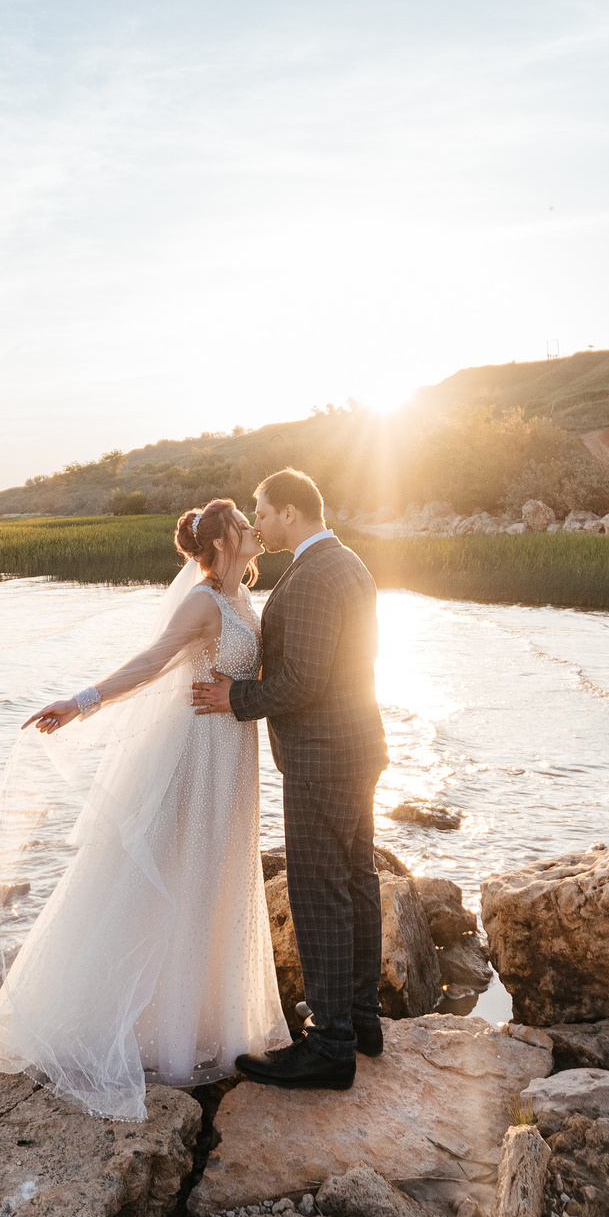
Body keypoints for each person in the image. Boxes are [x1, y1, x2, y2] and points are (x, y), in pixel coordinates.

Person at [0, 498, 289, 1119]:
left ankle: (203, 1023)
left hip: (231, 759)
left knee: (215, 878)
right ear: (222, 543)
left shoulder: (244, 596)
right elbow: (150, 662)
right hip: (197, 756)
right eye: (244, 525)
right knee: (170, 878)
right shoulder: (203, 602)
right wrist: (81, 701)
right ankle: (127, 1028)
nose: (254, 530)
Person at [191, 467, 385, 1091]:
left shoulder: (311, 576)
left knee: (319, 893)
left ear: (290, 513)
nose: (259, 523)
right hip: (355, 748)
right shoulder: (346, 562)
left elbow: (303, 681)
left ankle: (330, 1045)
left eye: (262, 511)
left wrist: (235, 697)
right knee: (356, 882)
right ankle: (360, 1018)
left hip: (322, 758)